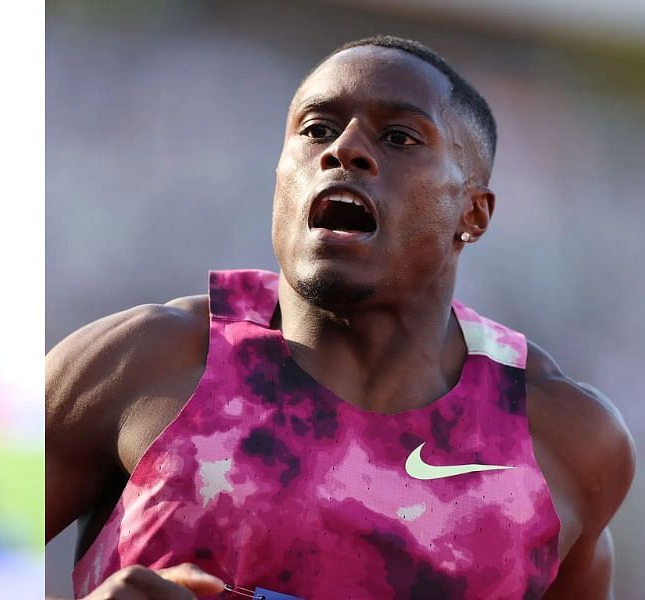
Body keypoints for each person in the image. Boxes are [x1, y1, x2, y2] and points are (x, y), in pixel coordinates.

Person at [46, 36, 634, 599]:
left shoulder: (562, 439)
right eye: (316, 129)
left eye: (400, 137)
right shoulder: (139, 364)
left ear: (473, 213)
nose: (343, 148)